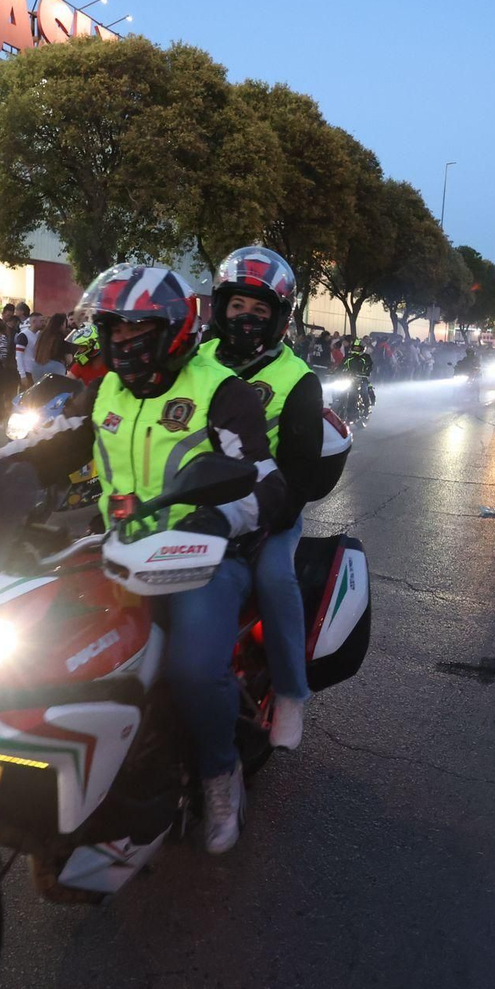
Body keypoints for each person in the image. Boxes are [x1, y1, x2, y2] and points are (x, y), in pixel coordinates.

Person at [0, 264, 289, 854]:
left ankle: (221, 774)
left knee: (194, 670)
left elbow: (265, 483)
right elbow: (54, 443)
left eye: (133, 331)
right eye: (112, 331)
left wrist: (214, 516)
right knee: (36, 645)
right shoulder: (106, 389)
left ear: (171, 331)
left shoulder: (222, 391)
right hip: (114, 550)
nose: (120, 343)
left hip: (201, 557)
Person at [199, 245, 325, 750]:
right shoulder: (197, 359)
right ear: (220, 307)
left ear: (279, 318)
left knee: (275, 578)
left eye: (259, 310)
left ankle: (292, 693)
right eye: (237, 306)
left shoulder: (298, 380)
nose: (246, 318)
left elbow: (299, 475)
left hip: (271, 511)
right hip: (197, 504)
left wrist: (264, 518)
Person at [32, 312, 68, 379]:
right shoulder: (63, 336)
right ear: (62, 324)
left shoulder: (42, 334)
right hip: (56, 367)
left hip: (37, 366)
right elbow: (69, 358)